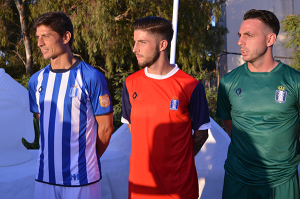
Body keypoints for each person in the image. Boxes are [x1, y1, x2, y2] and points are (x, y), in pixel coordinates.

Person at [121, 16, 211, 199]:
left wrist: (179, 162)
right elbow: (134, 129)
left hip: (179, 190)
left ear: (162, 45)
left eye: (142, 42)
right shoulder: (130, 83)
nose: (134, 49)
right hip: (140, 189)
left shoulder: (191, 86)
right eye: (135, 42)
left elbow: (201, 134)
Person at [28, 11, 114, 199]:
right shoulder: (36, 80)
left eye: (46, 36)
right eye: (37, 37)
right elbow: (44, 124)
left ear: (66, 37)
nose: (39, 43)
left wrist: (85, 161)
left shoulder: (91, 77)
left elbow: (106, 129)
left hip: (81, 179)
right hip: (45, 176)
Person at [217, 9, 300, 199]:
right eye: (240, 35)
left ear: (270, 39)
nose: (240, 42)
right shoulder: (228, 82)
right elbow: (229, 124)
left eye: (249, 35)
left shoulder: (295, 81)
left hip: (282, 180)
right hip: (237, 178)